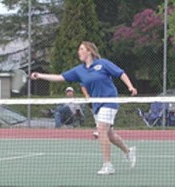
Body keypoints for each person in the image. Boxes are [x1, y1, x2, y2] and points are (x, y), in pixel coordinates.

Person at [31, 41, 137, 175]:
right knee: (109, 134)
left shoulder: (103, 63)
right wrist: (40, 76)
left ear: (89, 51)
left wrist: (130, 86)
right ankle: (128, 151)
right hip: (96, 104)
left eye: (81, 49)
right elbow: (59, 77)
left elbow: (120, 73)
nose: (78, 51)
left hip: (109, 101)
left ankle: (108, 165)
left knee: (101, 130)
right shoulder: (79, 70)